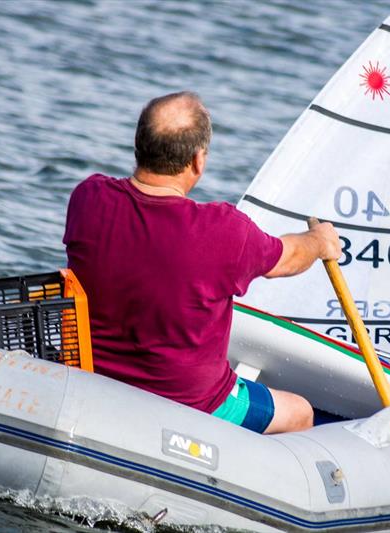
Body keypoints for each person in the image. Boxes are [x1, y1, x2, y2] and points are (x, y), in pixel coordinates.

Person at [63, 91, 340, 434]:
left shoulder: (88, 198)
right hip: (192, 403)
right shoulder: (224, 231)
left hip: (94, 380)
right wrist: (319, 242)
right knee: (300, 412)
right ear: (198, 161)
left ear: (139, 145)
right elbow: (288, 258)